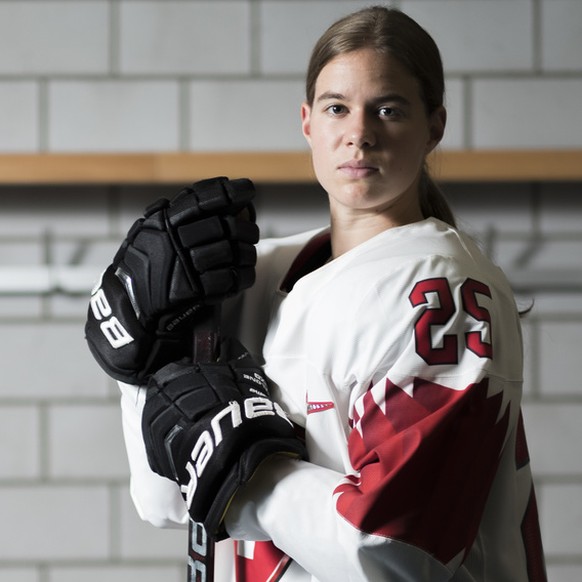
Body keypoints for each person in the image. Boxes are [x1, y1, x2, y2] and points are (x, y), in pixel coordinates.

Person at [85, 6, 547, 581]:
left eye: (388, 109)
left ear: (435, 126)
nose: (360, 133)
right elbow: (167, 502)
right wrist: (143, 362)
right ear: (307, 122)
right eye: (337, 108)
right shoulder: (250, 277)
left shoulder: (442, 293)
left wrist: (244, 471)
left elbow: (397, 549)